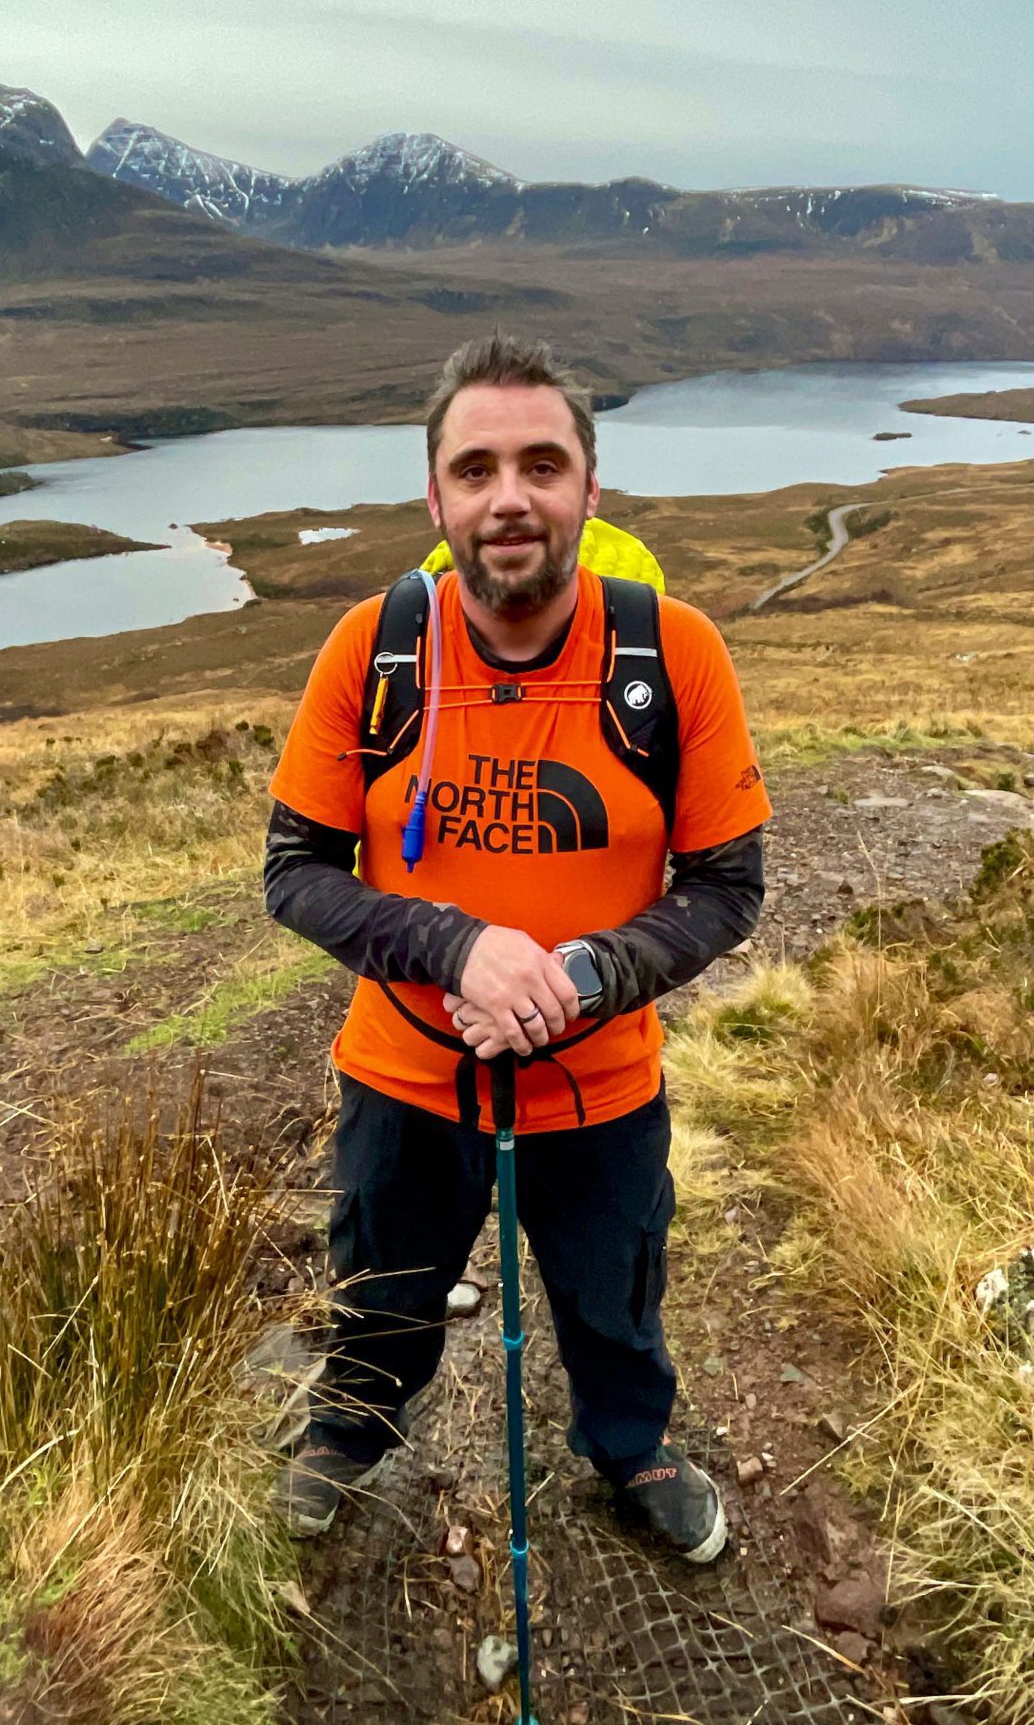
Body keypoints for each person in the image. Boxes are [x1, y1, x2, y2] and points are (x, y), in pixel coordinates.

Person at [264, 332, 771, 1560]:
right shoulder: (375, 650)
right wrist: (453, 947)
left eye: (542, 464)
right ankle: (348, 1432)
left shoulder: (673, 652)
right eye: (476, 468)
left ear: (589, 490)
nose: (509, 498)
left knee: (613, 1299)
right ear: (434, 496)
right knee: (383, 1284)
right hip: (404, 1071)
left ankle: (631, 1446)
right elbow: (297, 872)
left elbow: (724, 884)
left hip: (599, 1084)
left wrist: (582, 977)